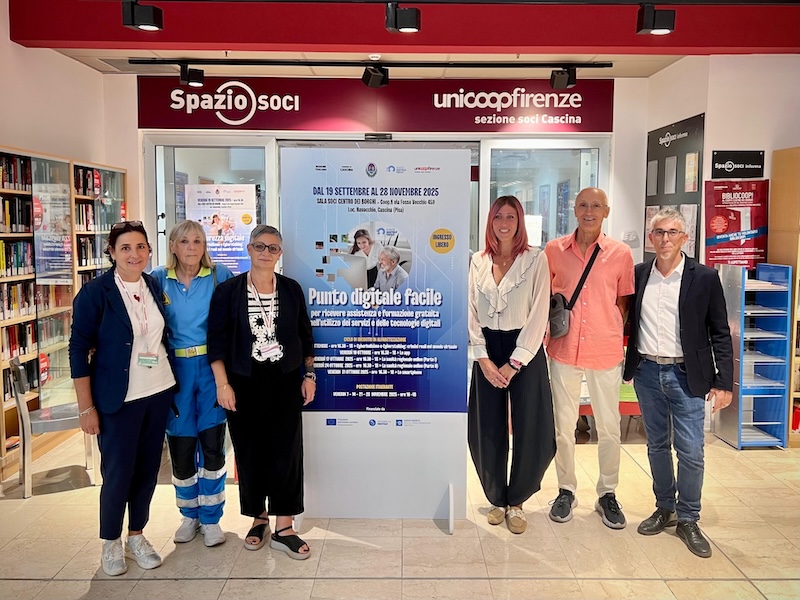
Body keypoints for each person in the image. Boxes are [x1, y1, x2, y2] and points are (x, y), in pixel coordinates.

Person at [623, 207, 733, 558]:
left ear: (685, 238)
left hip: (687, 375)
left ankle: (688, 518)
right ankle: (664, 507)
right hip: (647, 372)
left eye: (672, 232)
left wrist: (724, 382)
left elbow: (720, 332)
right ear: (650, 237)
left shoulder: (705, 277)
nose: (665, 238)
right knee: (656, 445)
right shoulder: (639, 274)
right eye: (659, 232)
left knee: (691, 450)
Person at [69, 221, 177, 576]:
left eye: (141, 247)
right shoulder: (95, 293)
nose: (135, 254)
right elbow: (78, 349)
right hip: (118, 400)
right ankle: (110, 542)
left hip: (157, 392)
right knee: (117, 473)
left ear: (149, 250)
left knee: (147, 471)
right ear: (112, 253)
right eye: (126, 248)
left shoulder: (152, 285)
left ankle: (137, 535)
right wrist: (86, 407)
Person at [207, 224, 316, 559]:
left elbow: (305, 336)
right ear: (249, 249)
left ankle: (284, 526)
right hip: (243, 382)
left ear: (280, 253)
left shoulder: (291, 289)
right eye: (259, 246)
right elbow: (216, 343)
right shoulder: (228, 291)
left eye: (273, 248)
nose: (266, 253)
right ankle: (259, 518)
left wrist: (309, 375)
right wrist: (222, 384)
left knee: (286, 452)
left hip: (285, 380)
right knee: (250, 452)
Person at [543, 187, 634, 529]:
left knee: (608, 426)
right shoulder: (554, 250)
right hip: (563, 349)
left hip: (604, 350)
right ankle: (565, 489)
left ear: (606, 211)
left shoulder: (620, 253)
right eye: (582, 205)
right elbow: (546, 297)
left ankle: (607, 493)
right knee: (563, 425)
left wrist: (605, 327)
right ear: (574, 210)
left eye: (596, 205)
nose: (589, 211)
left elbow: (623, 303)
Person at [468, 195, 555, 534]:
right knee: (486, 427)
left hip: (525, 350)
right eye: (498, 217)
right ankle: (496, 498)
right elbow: (470, 310)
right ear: (490, 222)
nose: (503, 223)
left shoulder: (536, 259)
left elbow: (539, 313)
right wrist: (484, 359)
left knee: (531, 426)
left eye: (510, 217)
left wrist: (514, 363)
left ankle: (517, 500)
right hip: (488, 349)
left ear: (520, 221)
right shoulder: (477, 260)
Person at [151, 220, 234, 548]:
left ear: (204, 246)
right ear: (173, 245)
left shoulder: (218, 275)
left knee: (212, 445)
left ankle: (212, 518)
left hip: (212, 368)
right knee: (182, 447)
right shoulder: (159, 279)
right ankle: (189, 516)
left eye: (197, 241)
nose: (191, 247)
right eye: (184, 241)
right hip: (175, 372)